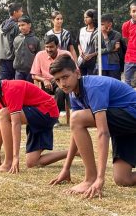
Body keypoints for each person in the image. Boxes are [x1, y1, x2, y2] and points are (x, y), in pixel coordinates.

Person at [49, 54, 136, 198]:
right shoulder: (73, 94)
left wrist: (99, 179)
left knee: (76, 118)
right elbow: (75, 131)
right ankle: (92, 178)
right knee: (123, 179)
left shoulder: (93, 87)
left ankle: (90, 178)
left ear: (77, 73)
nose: (62, 83)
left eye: (65, 77)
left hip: (131, 115)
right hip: (123, 128)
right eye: (57, 80)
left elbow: (103, 133)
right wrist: (66, 168)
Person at [0, 61, 67, 173]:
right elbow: (1, 124)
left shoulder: (10, 89)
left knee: (4, 113)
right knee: (32, 162)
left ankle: (7, 163)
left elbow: (15, 123)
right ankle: (73, 151)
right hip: (35, 116)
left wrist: (15, 157)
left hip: (48, 111)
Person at [31, 35, 72, 114]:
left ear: (57, 46)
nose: (49, 49)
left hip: (63, 83)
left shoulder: (66, 54)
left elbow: (74, 70)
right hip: (47, 85)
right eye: (47, 47)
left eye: (51, 47)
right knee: (62, 86)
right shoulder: (40, 55)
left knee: (61, 90)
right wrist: (44, 80)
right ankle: (72, 110)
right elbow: (34, 75)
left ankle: (55, 115)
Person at [0, 2, 23, 80]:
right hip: (15, 61)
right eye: (21, 11)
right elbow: (19, 45)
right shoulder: (17, 27)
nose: (22, 13)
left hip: (2, 61)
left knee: (4, 84)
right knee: (16, 85)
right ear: (15, 12)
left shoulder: (1, 26)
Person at [13, 16, 40, 82]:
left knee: (29, 90)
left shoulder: (35, 40)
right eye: (19, 26)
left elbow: (38, 56)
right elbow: (14, 53)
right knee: (19, 89)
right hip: (18, 71)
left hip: (30, 71)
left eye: (23, 25)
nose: (21, 27)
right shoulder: (16, 39)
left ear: (29, 25)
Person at [94, 14, 122, 80]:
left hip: (113, 65)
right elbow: (97, 51)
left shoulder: (116, 34)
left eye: (102, 24)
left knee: (115, 86)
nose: (101, 26)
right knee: (102, 86)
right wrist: (113, 50)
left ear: (110, 24)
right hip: (101, 65)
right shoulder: (97, 35)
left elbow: (109, 48)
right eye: (100, 24)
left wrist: (105, 35)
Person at [77, 9, 98, 76]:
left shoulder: (98, 31)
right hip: (81, 60)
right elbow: (78, 43)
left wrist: (91, 55)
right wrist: (80, 51)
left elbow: (102, 47)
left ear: (93, 18)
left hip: (94, 61)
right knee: (82, 80)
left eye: (87, 17)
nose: (85, 19)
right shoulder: (82, 30)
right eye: (84, 17)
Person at [122, 2, 136, 87]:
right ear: (130, 12)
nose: (135, 13)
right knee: (127, 83)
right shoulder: (125, 25)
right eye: (134, 11)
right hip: (130, 58)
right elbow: (126, 40)